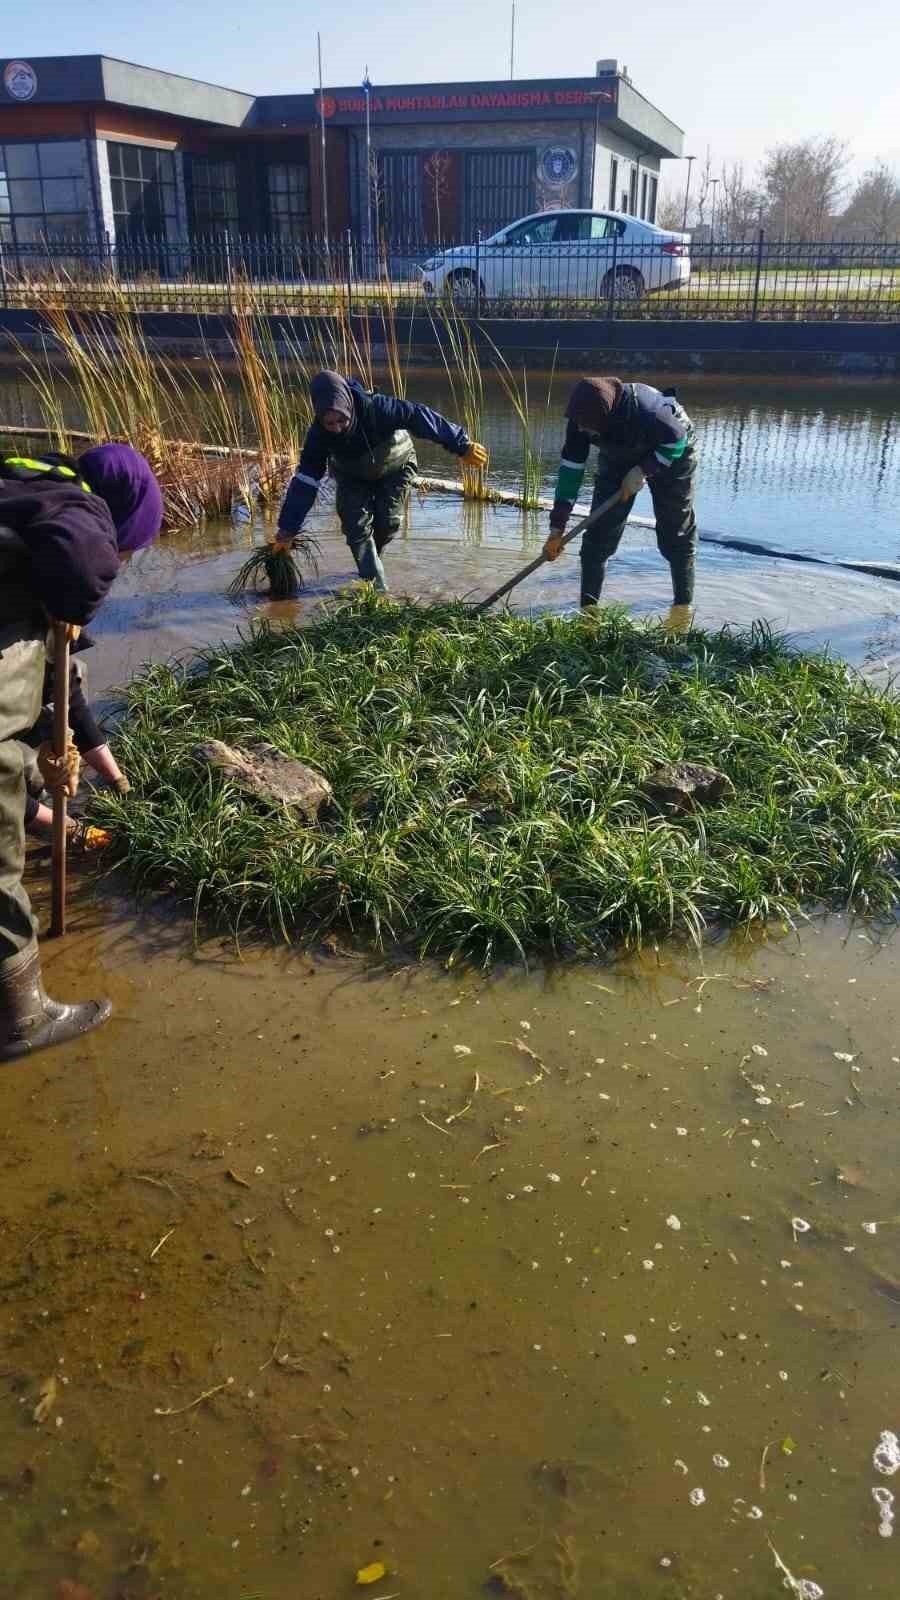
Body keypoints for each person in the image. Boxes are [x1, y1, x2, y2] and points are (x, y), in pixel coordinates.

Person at [0, 443, 163, 1061]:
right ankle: (21, 1020)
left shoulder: (25, 497)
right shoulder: (79, 514)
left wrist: (105, 768)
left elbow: (58, 688)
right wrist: (55, 824)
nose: (121, 561)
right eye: (127, 549)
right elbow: (83, 563)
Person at [272, 370, 488, 590]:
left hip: (397, 465)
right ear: (319, 417)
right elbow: (306, 482)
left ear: (348, 407)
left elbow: (419, 416)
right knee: (355, 527)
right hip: (352, 476)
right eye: (330, 423)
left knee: (387, 522)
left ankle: (373, 560)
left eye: (341, 420)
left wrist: (461, 445)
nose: (337, 427)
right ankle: (377, 590)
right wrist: (288, 529)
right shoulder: (317, 436)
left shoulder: (377, 408)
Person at [543, 377, 697, 629]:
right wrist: (556, 529)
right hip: (619, 456)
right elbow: (570, 473)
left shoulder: (648, 412)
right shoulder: (580, 421)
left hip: (672, 449)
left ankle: (682, 609)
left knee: (675, 530)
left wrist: (645, 469)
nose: (582, 430)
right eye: (579, 424)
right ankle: (588, 617)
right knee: (598, 536)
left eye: (588, 427)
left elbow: (676, 439)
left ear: (604, 418)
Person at [22, 641, 128, 849]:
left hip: (16, 700)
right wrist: (70, 828)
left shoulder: (34, 644)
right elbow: (5, 793)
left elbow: (75, 712)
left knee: (74, 669)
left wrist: (117, 780)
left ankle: (35, 795)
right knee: (22, 769)